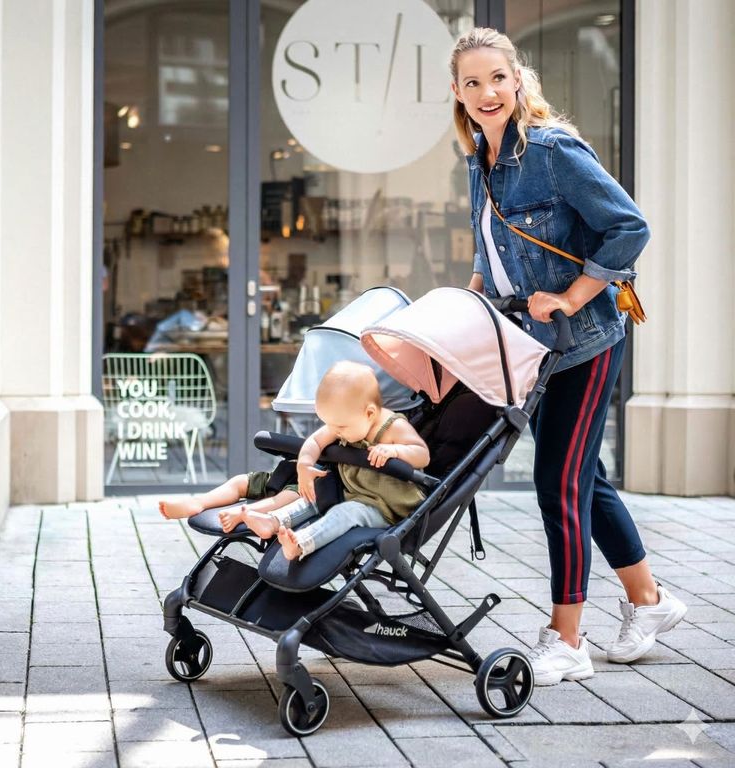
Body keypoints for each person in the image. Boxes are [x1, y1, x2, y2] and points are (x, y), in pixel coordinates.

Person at [450, 28, 686, 685]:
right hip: (533, 347)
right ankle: (649, 599)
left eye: (497, 78)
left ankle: (567, 638)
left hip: (584, 342)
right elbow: (491, 249)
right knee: (586, 476)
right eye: (473, 82)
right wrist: (468, 304)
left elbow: (629, 225)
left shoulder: (551, 150)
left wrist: (573, 294)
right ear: (458, 93)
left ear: (517, 79)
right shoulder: (479, 160)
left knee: (559, 479)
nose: (487, 92)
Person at [241, 360, 430, 561]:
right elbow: (314, 441)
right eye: (329, 424)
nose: (334, 431)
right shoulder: (346, 421)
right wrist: (304, 464)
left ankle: (301, 544)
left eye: (339, 427)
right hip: (353, 492)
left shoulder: (394, 427)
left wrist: (395, 450)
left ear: (369, 413)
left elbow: (422, 455)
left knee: (345, 513)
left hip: (387, 507)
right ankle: (272, 522)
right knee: (314, 498)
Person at [158, 468, 300, 532]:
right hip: (290, 472)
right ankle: (198, 502)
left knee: (290, 497)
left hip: (305, 488)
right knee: (239, 482)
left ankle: (244, 512)